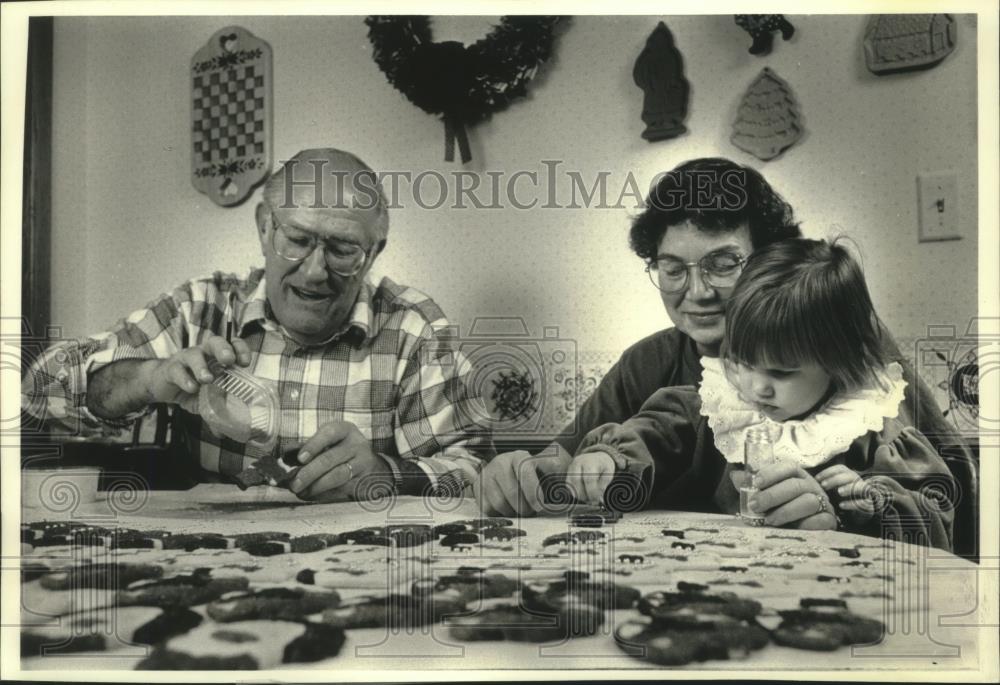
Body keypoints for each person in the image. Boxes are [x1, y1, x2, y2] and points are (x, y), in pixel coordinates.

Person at [478, 157, 968, 518]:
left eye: (722, 264)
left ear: (769, 258)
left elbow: (949, 499)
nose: (696, 292)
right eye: (673, 269)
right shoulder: (650, 364)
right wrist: (518, 473)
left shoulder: (850, 351)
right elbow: (564, 461)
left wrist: (853, 510)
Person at [24, 148, 493, 501]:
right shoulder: (201, 307)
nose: (314, 270)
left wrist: (385, 474)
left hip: (361, 575)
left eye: (343, 249)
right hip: (203, 570)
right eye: (298, 238)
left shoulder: (414, 328)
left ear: (374, 252)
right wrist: (147, 378)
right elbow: (36, 388)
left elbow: (474, 470)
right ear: (265, 227)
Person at [567, 237, 955, 550]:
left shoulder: (871, 425)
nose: (755, 386)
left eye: (782, 371)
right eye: (740, 361)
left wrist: (870, 508)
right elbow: (655, 433)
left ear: (840, 362)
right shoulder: (713, 407)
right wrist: (611, 457)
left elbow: (935, 522)